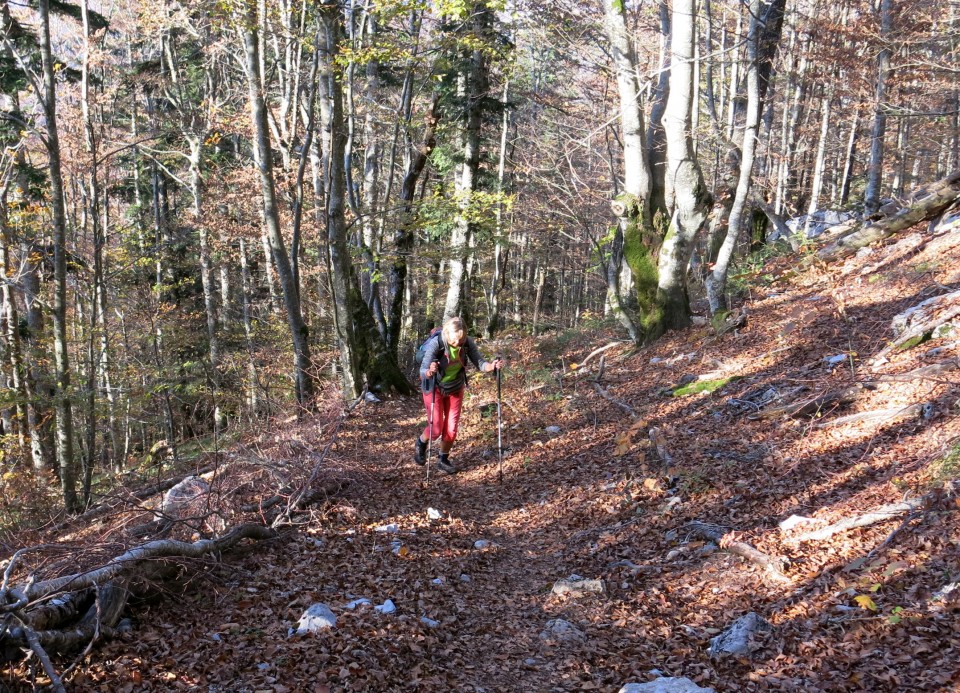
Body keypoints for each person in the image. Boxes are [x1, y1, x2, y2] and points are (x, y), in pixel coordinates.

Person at [414, 316, 503, 474]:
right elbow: (422, 371)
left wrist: (492, 366)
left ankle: (443, 459)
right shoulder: (437, 343)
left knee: (451, 428)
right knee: (435, 428)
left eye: (461, 340)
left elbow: (480, 363)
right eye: (454, 340)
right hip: (434, 386)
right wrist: (430, 371)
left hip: (455, 387)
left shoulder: (467, 342)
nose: (457, 344)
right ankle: (421, 443)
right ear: (447, 334)